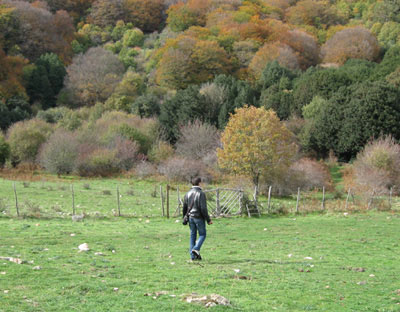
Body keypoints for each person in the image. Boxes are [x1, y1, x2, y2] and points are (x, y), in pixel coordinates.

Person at [182, 177, 212, 260]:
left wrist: (184, 217)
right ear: (199, 183)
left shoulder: (187, 193)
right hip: (199, 217)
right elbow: (203, 208)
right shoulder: (201, 193)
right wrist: (208, 219)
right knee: (202, 234)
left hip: (190, 217)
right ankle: (196, 249)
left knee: (192, 236)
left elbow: (184, 207)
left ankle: (193, 256)